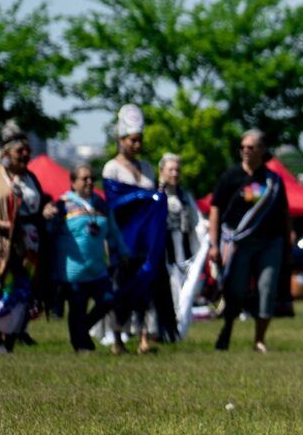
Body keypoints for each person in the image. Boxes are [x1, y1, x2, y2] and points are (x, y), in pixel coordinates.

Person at [208, 129, 288, 353]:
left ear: (262, 150)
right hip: (239, 243)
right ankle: (228, 327)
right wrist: (214, 244)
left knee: (266, 288)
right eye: (242, 146)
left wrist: (288, 243)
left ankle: (259, 340)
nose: (245, 150)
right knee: (236, 290)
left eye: (250, 147)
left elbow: (284, 213)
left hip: (269, 242)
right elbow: (215, 209)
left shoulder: (273, 181)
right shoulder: (230, 177)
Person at [98, 106, 165, 353]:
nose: (137, 145)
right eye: (132, 140)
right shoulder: (111, 168)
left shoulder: (147, 168)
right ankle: (117, 338)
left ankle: (144, 338)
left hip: (145, 239)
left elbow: (154, 199)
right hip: (122, 238)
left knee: (144, 287)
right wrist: (142, 197)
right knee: (120, 287)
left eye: (140, 140)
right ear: (121, 140)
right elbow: (114, 201)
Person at [0, 122, 48, 350]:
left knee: (22, 294)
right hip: (1, 245)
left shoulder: (32, 179)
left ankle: (8, 344)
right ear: (6, 153)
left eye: (28, 150)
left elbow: (38, 208)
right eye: (20, 151)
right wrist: (2, 224)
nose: (26, 154)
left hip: (30, 245)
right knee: (2, 291)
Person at [59, 164, 121, 354]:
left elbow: (113, 231)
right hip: (73, 270)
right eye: (84, 179)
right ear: (73, 182)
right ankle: (81, 345)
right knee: (77, 307)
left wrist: (122, 251)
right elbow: (51, 232)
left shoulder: (100, 203)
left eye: (91, 178)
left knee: (108, 300)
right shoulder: (63, 204)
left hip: (97, 268)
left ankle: (81, 331)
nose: (89, 182)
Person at [160, 154, 202, 337]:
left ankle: (176, 330)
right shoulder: (157, 194)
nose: (175, 173)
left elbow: (197, 220)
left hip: (182, 250)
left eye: (177, 170)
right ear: (162, 171)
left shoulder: (184, 196)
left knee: (182, 289)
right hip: (162, 249)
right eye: (171, 169)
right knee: (168, 288)